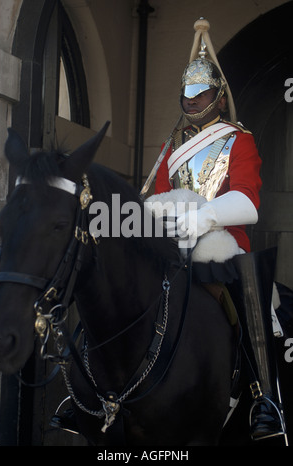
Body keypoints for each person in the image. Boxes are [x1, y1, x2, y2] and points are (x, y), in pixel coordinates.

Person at [145, 18, 286, 442]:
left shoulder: (238, 141)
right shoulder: (172, 149)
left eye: (202, 93)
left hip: (223, 247)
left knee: (249, 302)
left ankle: (265, 398)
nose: (193, 101)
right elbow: (158, 198)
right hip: (175, 245)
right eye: (188, 94)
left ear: (219, 98)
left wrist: (202, 218)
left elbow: (247, 202)